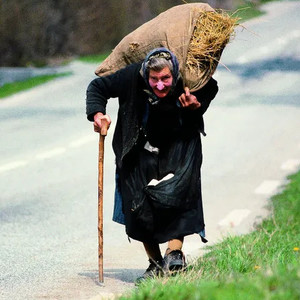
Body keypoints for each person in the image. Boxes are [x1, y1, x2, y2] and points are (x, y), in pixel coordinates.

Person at [86, 48, 218, 282]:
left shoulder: (187, 78)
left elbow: (211, 86)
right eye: (154, 79)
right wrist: (98, 114)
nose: (159, 85)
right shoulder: (130, 77)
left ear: (174, 74)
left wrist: (197, 103)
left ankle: (174, 254)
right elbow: (97, 87)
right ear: (146, 74)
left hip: (180, 143)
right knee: (137, 202)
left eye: (165, 78)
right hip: (138, 146)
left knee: (180, 193)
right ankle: (156, 263)